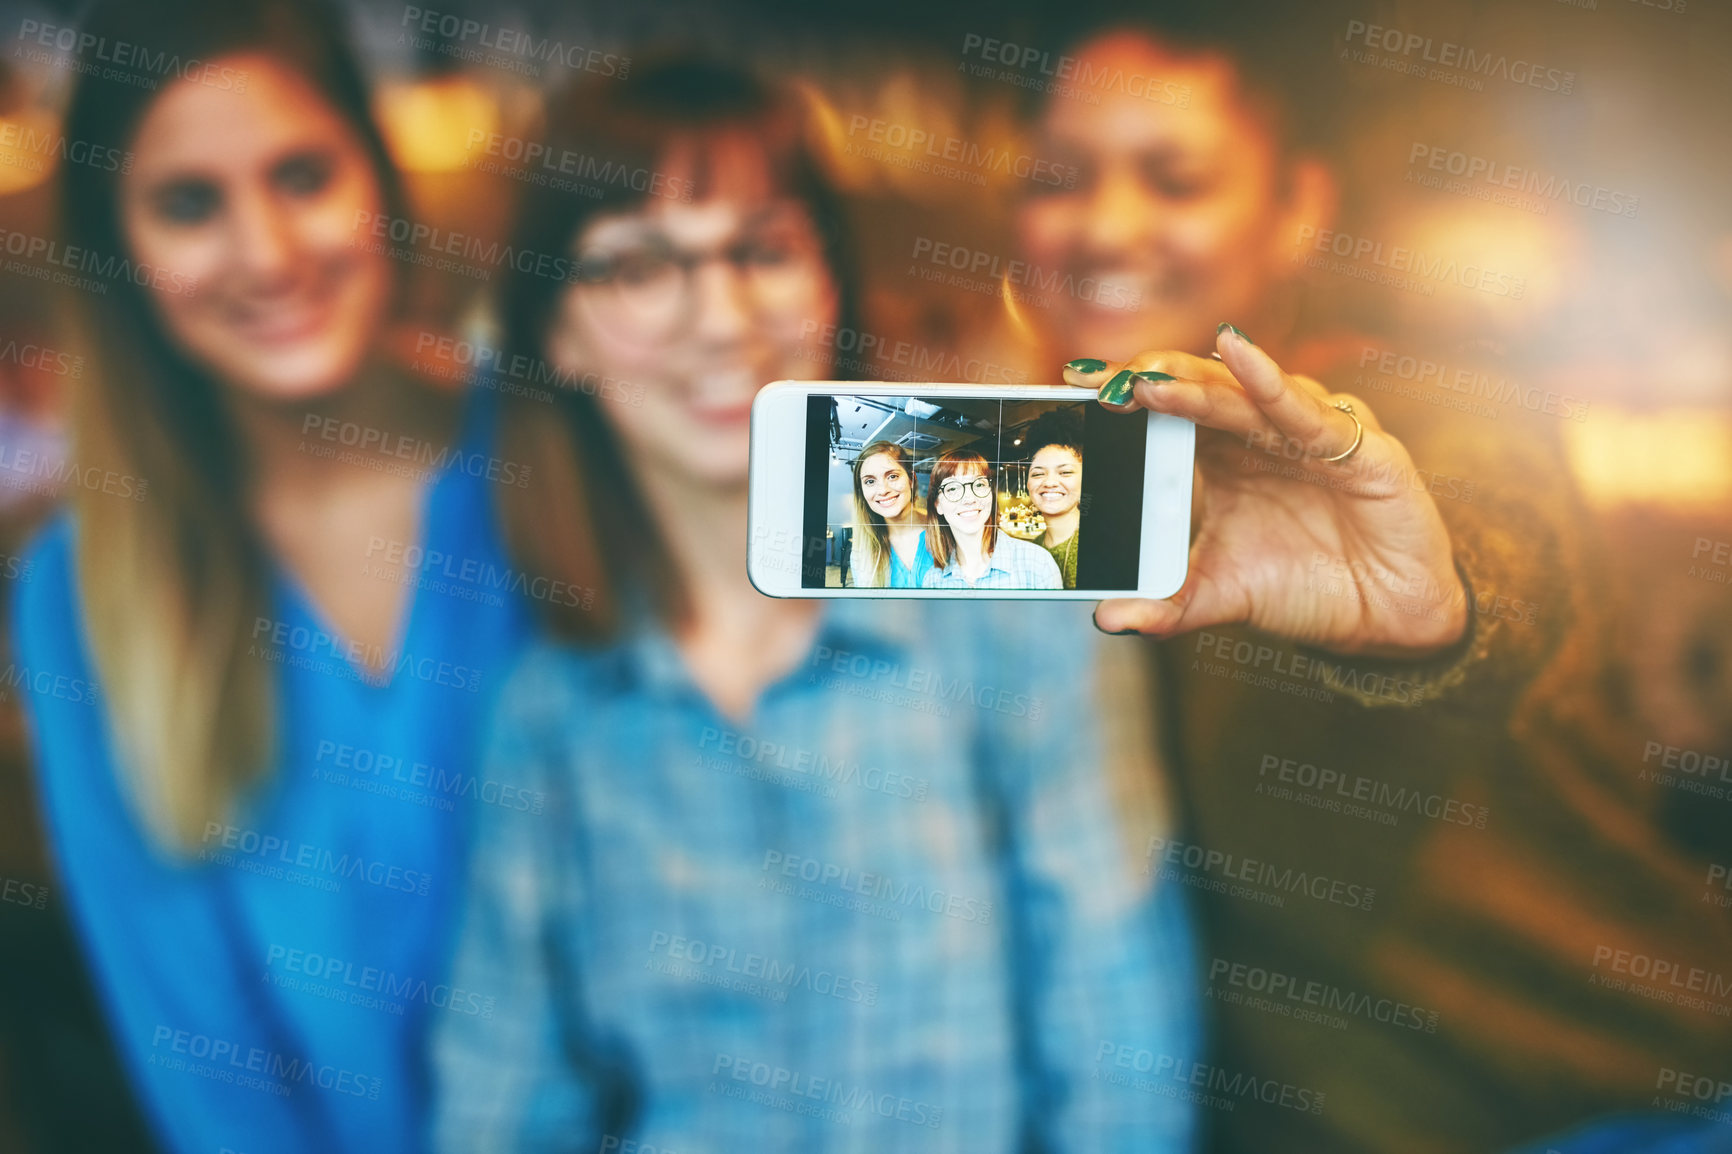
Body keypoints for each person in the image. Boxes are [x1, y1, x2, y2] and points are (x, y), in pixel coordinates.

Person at [434, 57, 1198, 1153]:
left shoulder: (1012, 583)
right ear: (555, 335)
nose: (722, 316)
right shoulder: (551, 707)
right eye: (639, 265)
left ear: (831, 288)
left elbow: (1118, 1053)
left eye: (763, 249)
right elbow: (505, 1101)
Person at [1010, 14, 1732, 1154]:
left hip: (1623, 1107)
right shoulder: (1056, 482)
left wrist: (1437, 605)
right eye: (1060, 178)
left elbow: (1502, 526)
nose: (1104, 224)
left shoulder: (1418, 411)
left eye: (1175, 179)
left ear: (1296, 211)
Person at [10, 1, 543, 1150]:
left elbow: (1006, 517)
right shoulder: (76, 594)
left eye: (302, 176)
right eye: (189, 204)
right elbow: (204, 1073)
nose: (266, 252)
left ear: (379, 181)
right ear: (118, 252)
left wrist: (1045, 266)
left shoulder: (569, 441)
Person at [922, 449, 1063, 590]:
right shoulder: (933, 580)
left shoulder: (1037, 563)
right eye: (952, 488)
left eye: (979, 484)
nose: (969, 499)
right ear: (937, 505)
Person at [847, 440, 933, 588]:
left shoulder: (946, 531)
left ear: (911, 480)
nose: (882, 490)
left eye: (892, 476)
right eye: (870, 481)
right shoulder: (861, 551)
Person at [1023, 411, 1085, 589]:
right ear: (1028, 483)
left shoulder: (1103, 547)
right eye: (1038, 473)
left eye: (1065, 472)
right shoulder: (1032, 551)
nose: (1049, 482)